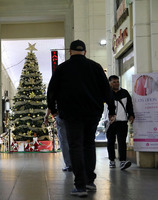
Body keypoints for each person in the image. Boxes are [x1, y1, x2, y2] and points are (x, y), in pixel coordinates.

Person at [47, 40, 116, 197]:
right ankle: (90, 181)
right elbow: (107, 91)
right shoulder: (96, 67)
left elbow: (51, 90)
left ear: (70, 52)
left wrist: (53, 108)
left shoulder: (62, 68)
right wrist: (111, 110)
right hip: (92, 113)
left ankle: (80, 186)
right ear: (85, 52)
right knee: (89, 144)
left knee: (76, 146)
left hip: (71, 114)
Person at [106, 75, 135, 170]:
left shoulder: (125, 92)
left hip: (122, 121)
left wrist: (131, 115)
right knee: (110, 141)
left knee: (122, 142)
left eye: (117, 81)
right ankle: (112, 160)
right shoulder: (106, 93)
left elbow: (129, 105)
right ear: (110, 83)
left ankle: (123, 161)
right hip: (110, 122)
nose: (116, 83)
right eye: (114, 82)